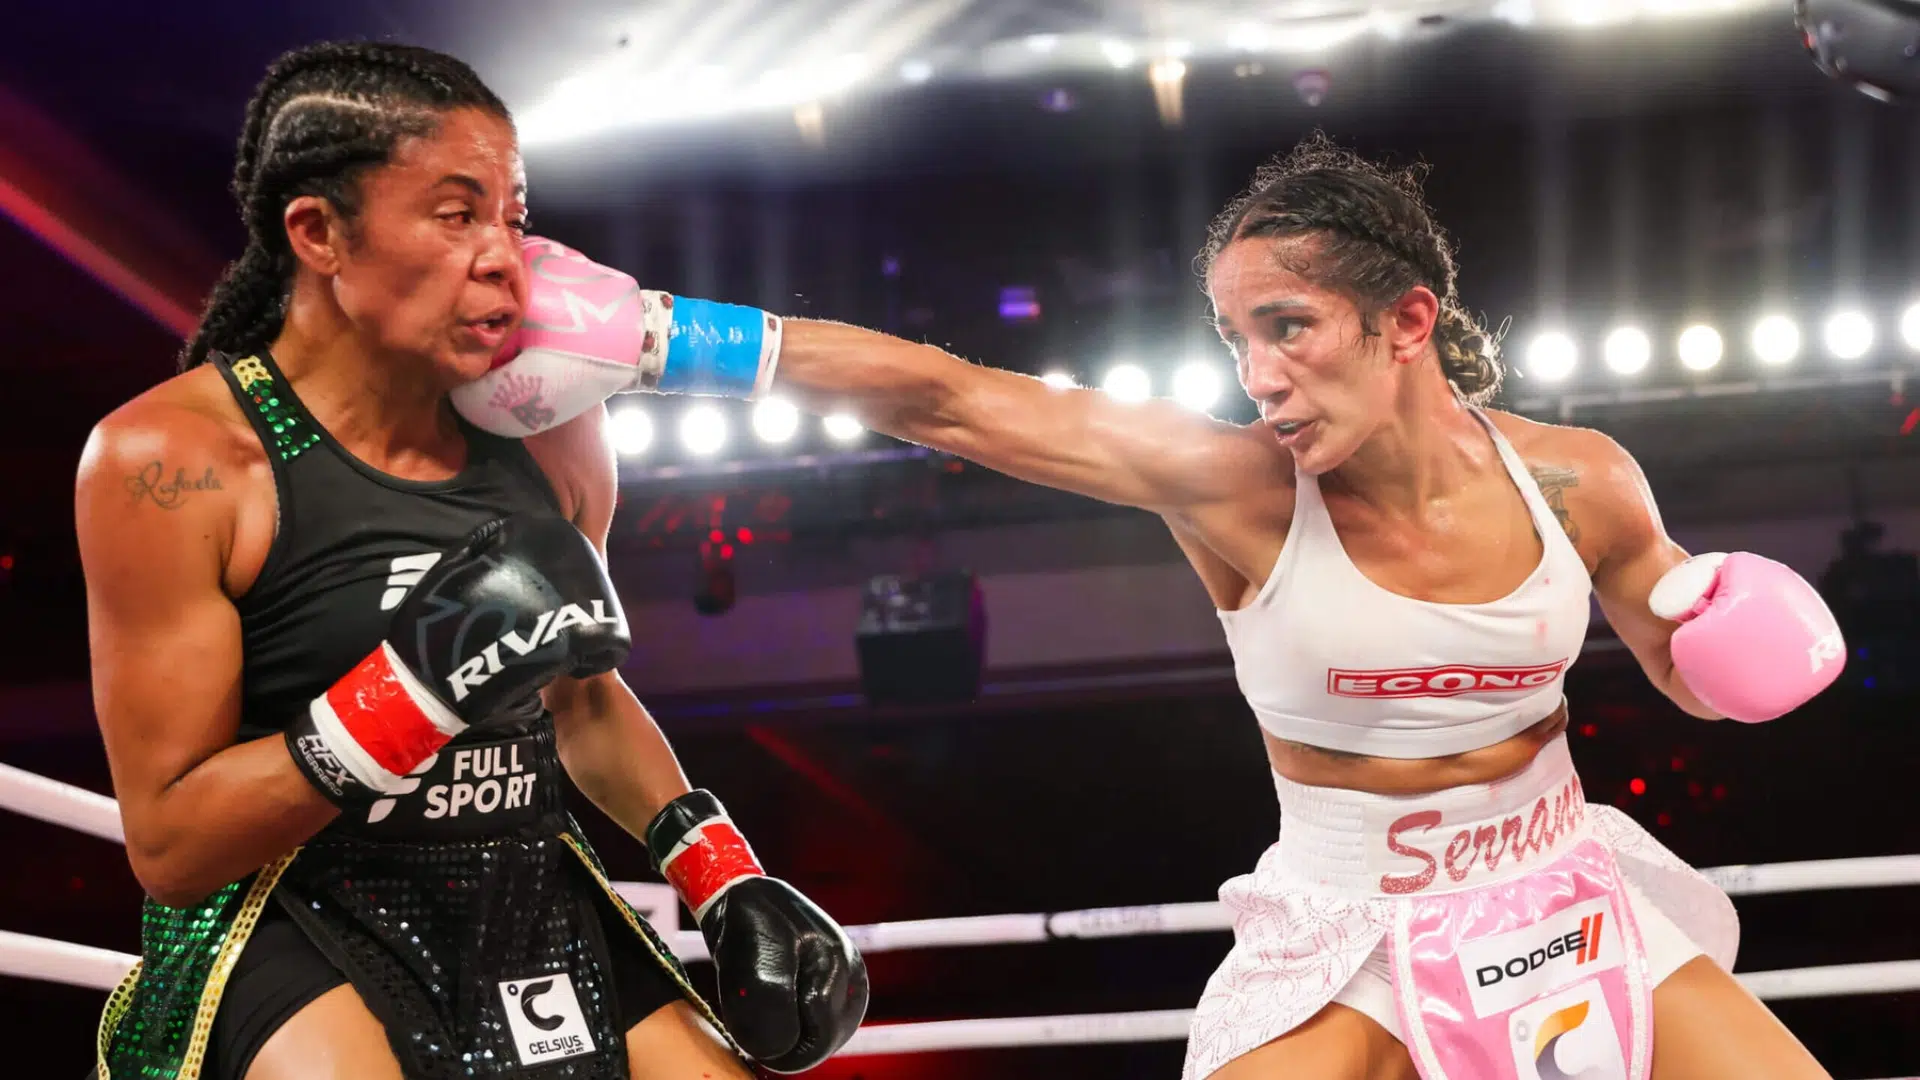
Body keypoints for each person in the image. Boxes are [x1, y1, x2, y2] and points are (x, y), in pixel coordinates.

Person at [460, 134, 1847, 1079]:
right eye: (1235, 339)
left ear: (1406, 323)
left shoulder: (1581, 478)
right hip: (1350, 928)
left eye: (1287, 327)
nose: (1257, 376)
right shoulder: (1233, 489)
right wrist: (656, 336)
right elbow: (953, 399)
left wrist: (1710, 641)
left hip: (1559, 885)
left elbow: (1680, 664)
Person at [75, 41, 864, 1080]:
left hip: (520, 879)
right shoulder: (173, 461)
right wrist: (415, 689)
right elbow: (171, 846)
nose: (504, 256)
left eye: (513, 216)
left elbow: (584, 700)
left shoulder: (551, 431)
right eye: (457, 215)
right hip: (290, 904)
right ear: (317, 232)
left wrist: (722, 878)